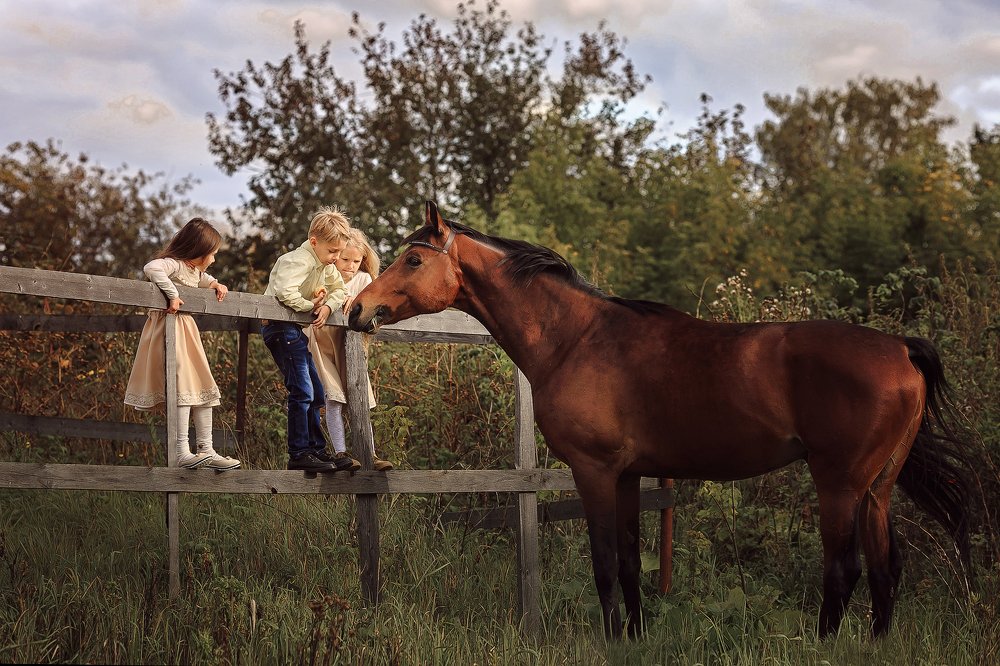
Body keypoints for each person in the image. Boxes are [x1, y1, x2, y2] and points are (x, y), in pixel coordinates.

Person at [124, 218, 241, 471]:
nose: (213, 260)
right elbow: (151, 268)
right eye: (212, 254)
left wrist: (214, 284)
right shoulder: (174, 265)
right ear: (197, 251)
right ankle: (180, 451)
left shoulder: (193, 270)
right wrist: (173, 295)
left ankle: (206, 449)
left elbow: (202, 278)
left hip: (186, 331)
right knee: (183, 385)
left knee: (202, 384)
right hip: (169, 327)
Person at [260, 206, 356, 472]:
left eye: (339, 252)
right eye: (332, 252)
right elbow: (284, 292)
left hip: (295, 330)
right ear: (314, 242)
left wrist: (326, 307)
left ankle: (316, 449)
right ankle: (299, 452)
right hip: (279, 328)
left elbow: (340, 290)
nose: (336, 258)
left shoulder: (325, 266)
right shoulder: (297, 260)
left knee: (316, 393)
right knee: (302, 390)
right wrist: (309, 306)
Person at [306, 227, 393, 472]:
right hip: (322, 344)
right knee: (333, 397)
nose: (351, 266)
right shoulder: (323, 274)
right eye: (345, 259)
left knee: (359, 398)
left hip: (350, 346)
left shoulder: (364, 280)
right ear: (336, 256)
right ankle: (341, 452)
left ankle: (370, 454)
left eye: (357, 261)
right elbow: (314, 299)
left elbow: (373, 309)